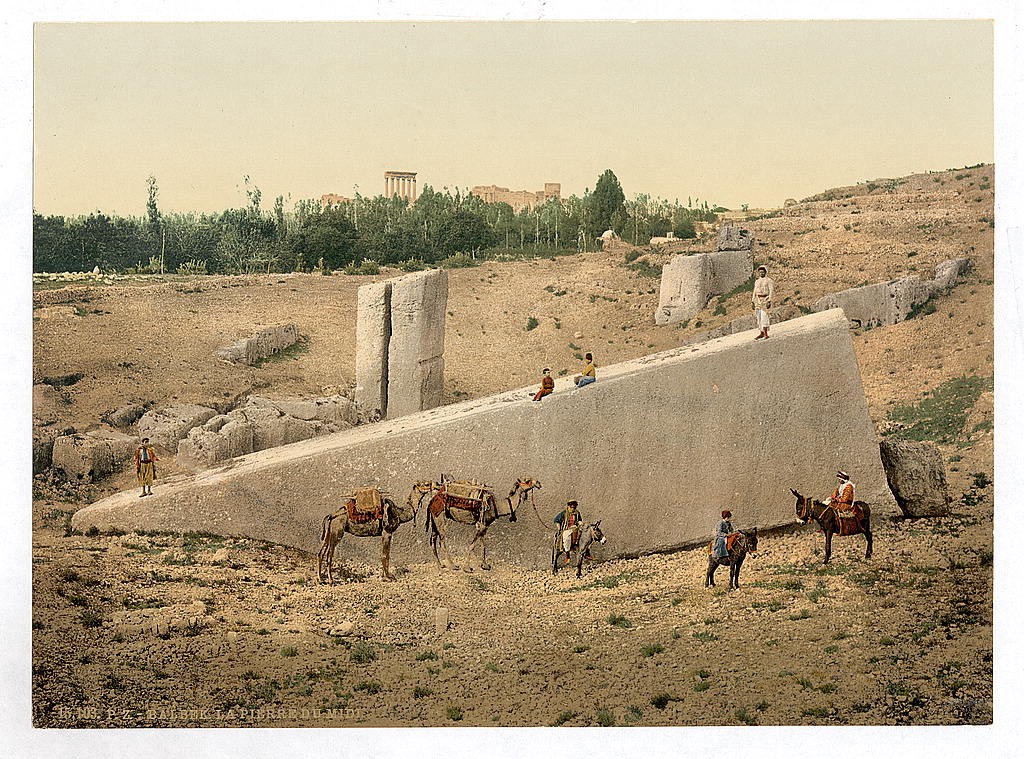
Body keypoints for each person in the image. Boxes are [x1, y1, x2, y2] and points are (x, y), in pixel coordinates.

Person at [751, 265, 776, 340]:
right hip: (758, 300)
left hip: (765, 299)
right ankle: (761, 333)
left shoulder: (769, 280)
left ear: (765, 272)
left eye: (762, 272)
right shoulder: (757, 281)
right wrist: (752, 301)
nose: (761, 273)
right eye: (760, 272)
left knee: (764, 316)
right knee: (759, 317)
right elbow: (754, 291)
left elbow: (771, 291)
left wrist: (769, 300)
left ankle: (765, 333)